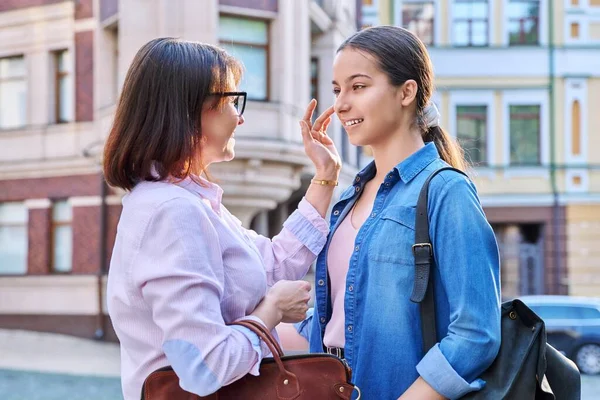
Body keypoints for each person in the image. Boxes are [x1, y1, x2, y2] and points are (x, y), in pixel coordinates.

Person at [103, 37, 341, 400]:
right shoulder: (173, 211)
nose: (240, 117)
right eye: (233, 101)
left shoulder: (190, 201)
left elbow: (273, 266)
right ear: (193, 110)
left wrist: (324, 177)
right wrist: (272, 309)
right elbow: (205, 366)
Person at [297, 26, 502, 399]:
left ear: (406, 91)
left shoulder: (445, 191)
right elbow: (334, 323)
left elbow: (476, 331)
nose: (341, 104)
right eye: (337, 90)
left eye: (358, 87)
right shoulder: (347, 199)